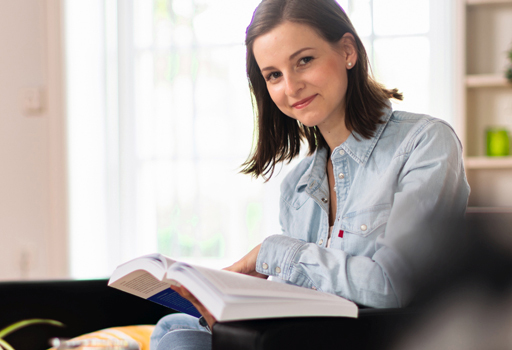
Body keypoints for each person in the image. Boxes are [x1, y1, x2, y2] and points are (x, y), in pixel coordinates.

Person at [151, 0, 469, 349]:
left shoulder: (424, 143)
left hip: (376, 338)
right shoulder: (297, 185)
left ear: (348, 51)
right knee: (172, 325)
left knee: (181, 341)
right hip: (310, 337)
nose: (291, 87)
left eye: (304, 61)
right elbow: (305, 300)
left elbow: (395, 286)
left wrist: (273, 253)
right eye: (273, 75)